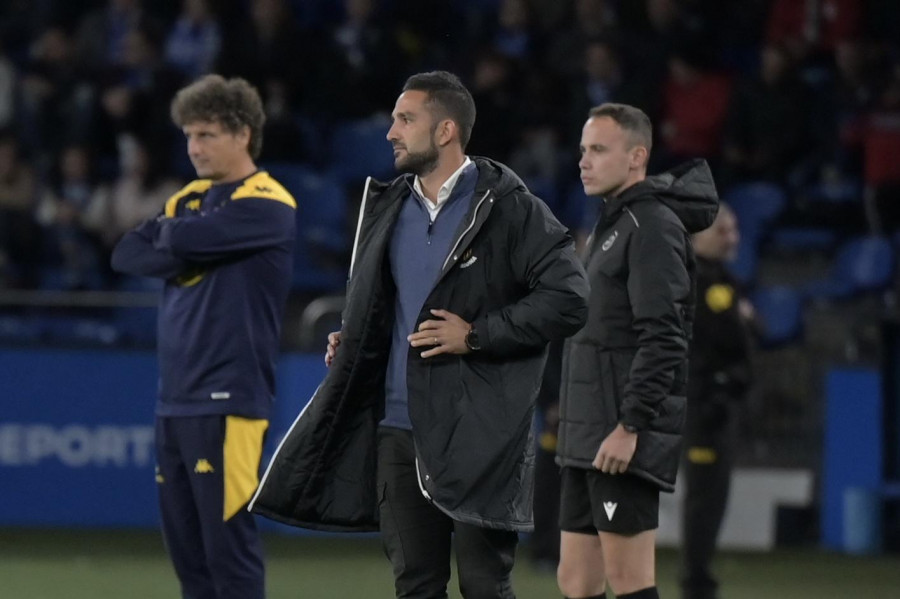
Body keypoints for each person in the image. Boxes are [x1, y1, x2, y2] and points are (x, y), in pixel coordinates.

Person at [250, 70, 589, 598]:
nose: (391, 132)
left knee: (484, 584)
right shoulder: (384, 207)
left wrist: (476, 335)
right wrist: (359, 338)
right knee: (415, 585)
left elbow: (570, 299)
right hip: (397, 428)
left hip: (480, 430)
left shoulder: (510, 207)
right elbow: (386, 304)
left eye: (406, 119)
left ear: (446, 130)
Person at [111, 74, 296, 599]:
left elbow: (175, 240)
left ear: (243, 134)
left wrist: (175, 241)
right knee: (189, 557)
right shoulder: (188, 199)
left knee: (227, 554)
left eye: (207, 135)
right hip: (175, 399)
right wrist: (184, 242)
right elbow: (126, 252)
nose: (194, 147)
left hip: (229, 399)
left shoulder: (269, 202)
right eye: (190, 136)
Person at [555, 103, 718, 599]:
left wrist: (630, 426)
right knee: (577, 581)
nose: (584, 161)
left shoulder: (652, 227)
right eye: (583, 150)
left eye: (599, 150)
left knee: (628, 581)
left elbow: (665, 336)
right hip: (588, 434)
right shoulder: (614, 224)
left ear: (636, 157)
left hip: (619, 435)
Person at [680, 204, 754, 599]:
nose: (733, 238)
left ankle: (699, 576)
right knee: (704, 498)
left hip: (718, 404)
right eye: (723, 231)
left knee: (712, 496)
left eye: (734, 229)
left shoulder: (724, 280)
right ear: (697, 237)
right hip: (704, 406)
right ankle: (696, 582)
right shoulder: (693, 282)